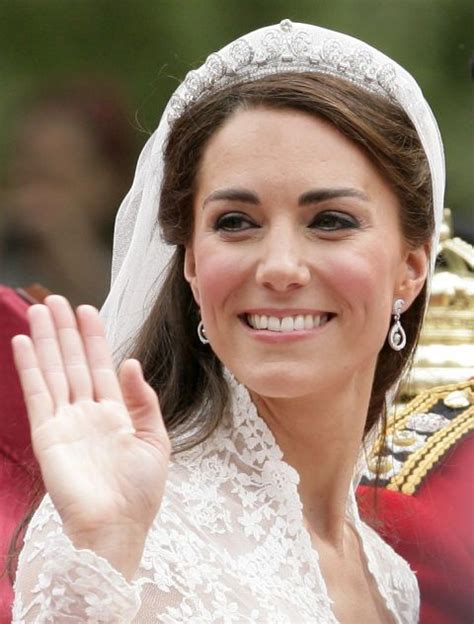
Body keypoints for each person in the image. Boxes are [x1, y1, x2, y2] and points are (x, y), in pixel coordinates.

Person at [10, 20, 444, 623]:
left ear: (412, 264)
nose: (281, 268)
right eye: (236, 222)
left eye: (331, 221)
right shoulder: (121, 523)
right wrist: (101, 555)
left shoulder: (391, 579)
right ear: (190, 262)